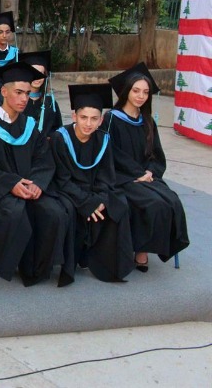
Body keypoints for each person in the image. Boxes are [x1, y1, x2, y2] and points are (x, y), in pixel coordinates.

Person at [0, 61, 74, 287]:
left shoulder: (30, 125)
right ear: (4, 92)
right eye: (18, 92)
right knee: (14, 212)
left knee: (54, 212)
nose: (24, 98)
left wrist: (37, 183)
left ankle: (35, 268)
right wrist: (11, 183)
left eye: (27, 93)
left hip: (29, 185)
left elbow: (44, 159)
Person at [105, 63, 190, 270]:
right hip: (122, 177)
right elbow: (112, 153)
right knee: (153, 203)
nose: (141, 96)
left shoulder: (147, 121)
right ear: (126, 91)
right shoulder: (111, 119)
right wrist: (137, 173)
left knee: (172, 201)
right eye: (136, 91)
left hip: (147, 176)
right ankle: (141, 251)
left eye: (145, 92)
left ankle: (153, 247)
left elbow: (156, 154)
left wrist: (150, 171)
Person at [51, 84, 135, 282]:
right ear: (74, 116)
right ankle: (74, 262)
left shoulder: (103, 139)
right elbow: (61, 179)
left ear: (101, 120)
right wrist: (87, 202)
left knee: (119, 205)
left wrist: (100, 199)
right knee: (70, 209)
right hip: (68, 191)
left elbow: (107, 176)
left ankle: (109, 265)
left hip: (95, 189)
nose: (88, 124)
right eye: (83, 117)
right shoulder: (60, 138)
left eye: (94, 118)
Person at [20, 50, 63, 135]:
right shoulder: (18, 100)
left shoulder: (50, 103)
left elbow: (57, 130)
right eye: (33, 72)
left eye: (41, 73)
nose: (37, 77)